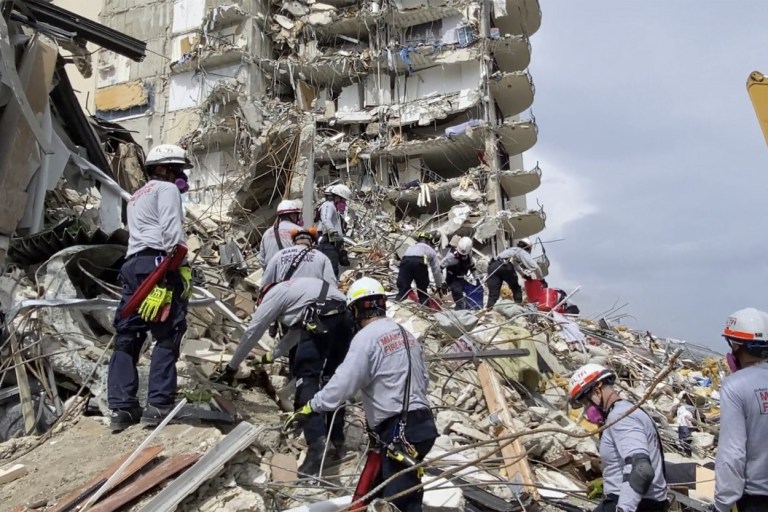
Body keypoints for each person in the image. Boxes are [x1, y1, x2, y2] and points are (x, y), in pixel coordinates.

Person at [286, 277, 437, 511]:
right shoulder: (406, 336)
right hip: (423, 426)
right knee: (375, 493)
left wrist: (312, 406)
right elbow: (422, 379)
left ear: (355, 310)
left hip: (398, 432)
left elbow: (342, 384)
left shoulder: (365, 338)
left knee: (401, 504)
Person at [211, 277, 354, 475]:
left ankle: (317, 446)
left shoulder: (273, 295)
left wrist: (232, 367)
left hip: (322, 318)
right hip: (345, 316)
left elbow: (252, 331)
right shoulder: (300, 291)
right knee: (333, 377)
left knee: (307, 378)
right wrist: (269, 356)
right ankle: (336, 439)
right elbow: (295, 333)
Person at [109, 144, 194, 431]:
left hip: (133, 265)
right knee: (168, 332)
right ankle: (158, 405)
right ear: (165, 168)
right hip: (158, 262)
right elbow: (172, 230)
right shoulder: (166, 189)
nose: (181, 176)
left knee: (127, 335)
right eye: (179, 169)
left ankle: (122, 408)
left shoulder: (135, 196)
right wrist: (177, 262)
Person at [569, 364, 668, 512]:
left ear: (597, 391)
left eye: (585, 402)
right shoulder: (628, 410)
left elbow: (641, 469)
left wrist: (624, 508)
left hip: (636, 504)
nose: (586, 410)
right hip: (644, 501)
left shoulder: (621, 418)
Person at [713, 308, 768, 512]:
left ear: (737, 345)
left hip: (757, 500)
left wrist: (721, 505)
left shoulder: (736, 385)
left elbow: (732, 453)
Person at [260, 228, 336, 285]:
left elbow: (265, 283)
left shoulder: (279, 255)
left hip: (284, 299)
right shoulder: (321, 257)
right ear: (312, 243)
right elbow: (331, 284)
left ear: (294, 242)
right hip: (311, 301)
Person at [486, 237, 542, 309]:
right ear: (528, 248)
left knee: (493, 293)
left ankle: (489, 310)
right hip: (505, 266)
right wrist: (542, 279)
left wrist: (524, 276)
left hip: (493, 266)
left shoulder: (511, 250)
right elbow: (535, 267)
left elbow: (516, 265)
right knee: (516, 288)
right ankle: (518, 306)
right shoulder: (522, 251)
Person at [396, 231, 445, 304]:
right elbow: (436, 270)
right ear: (429, 241)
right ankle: (425, 307)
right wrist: (439, 285)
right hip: (419, 262)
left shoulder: (411, 247)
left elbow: (403, 261)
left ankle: (397, 303)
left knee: (403, 288)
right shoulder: (430, 250)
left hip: (405, 261)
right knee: (422, 289)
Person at [316, 184, 352, 277]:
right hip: (328, 243)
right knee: (331, 271)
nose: (344, 202)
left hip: (333, 244)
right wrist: (335, 237)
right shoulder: (328, 205)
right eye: (343, 200)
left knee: (334, 269)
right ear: (338, 197)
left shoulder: (335, 210)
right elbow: (326, 220)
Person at [258, 199, 303, 268]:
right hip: (294, 275)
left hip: (273, 275)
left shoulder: (266, 234)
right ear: (292, 214)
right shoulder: (300, 231)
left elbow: (261, 259)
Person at [440, 236, 482, 310]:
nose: (463, 257)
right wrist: (442, 282)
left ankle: (471, 308)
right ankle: (460, 311)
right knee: (458, 294)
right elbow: (439, 268)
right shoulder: (451, 257)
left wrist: (477, 279)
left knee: (473, 291)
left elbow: (472, 267)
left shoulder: (469, 254)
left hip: (462, 278)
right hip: (452, 279)